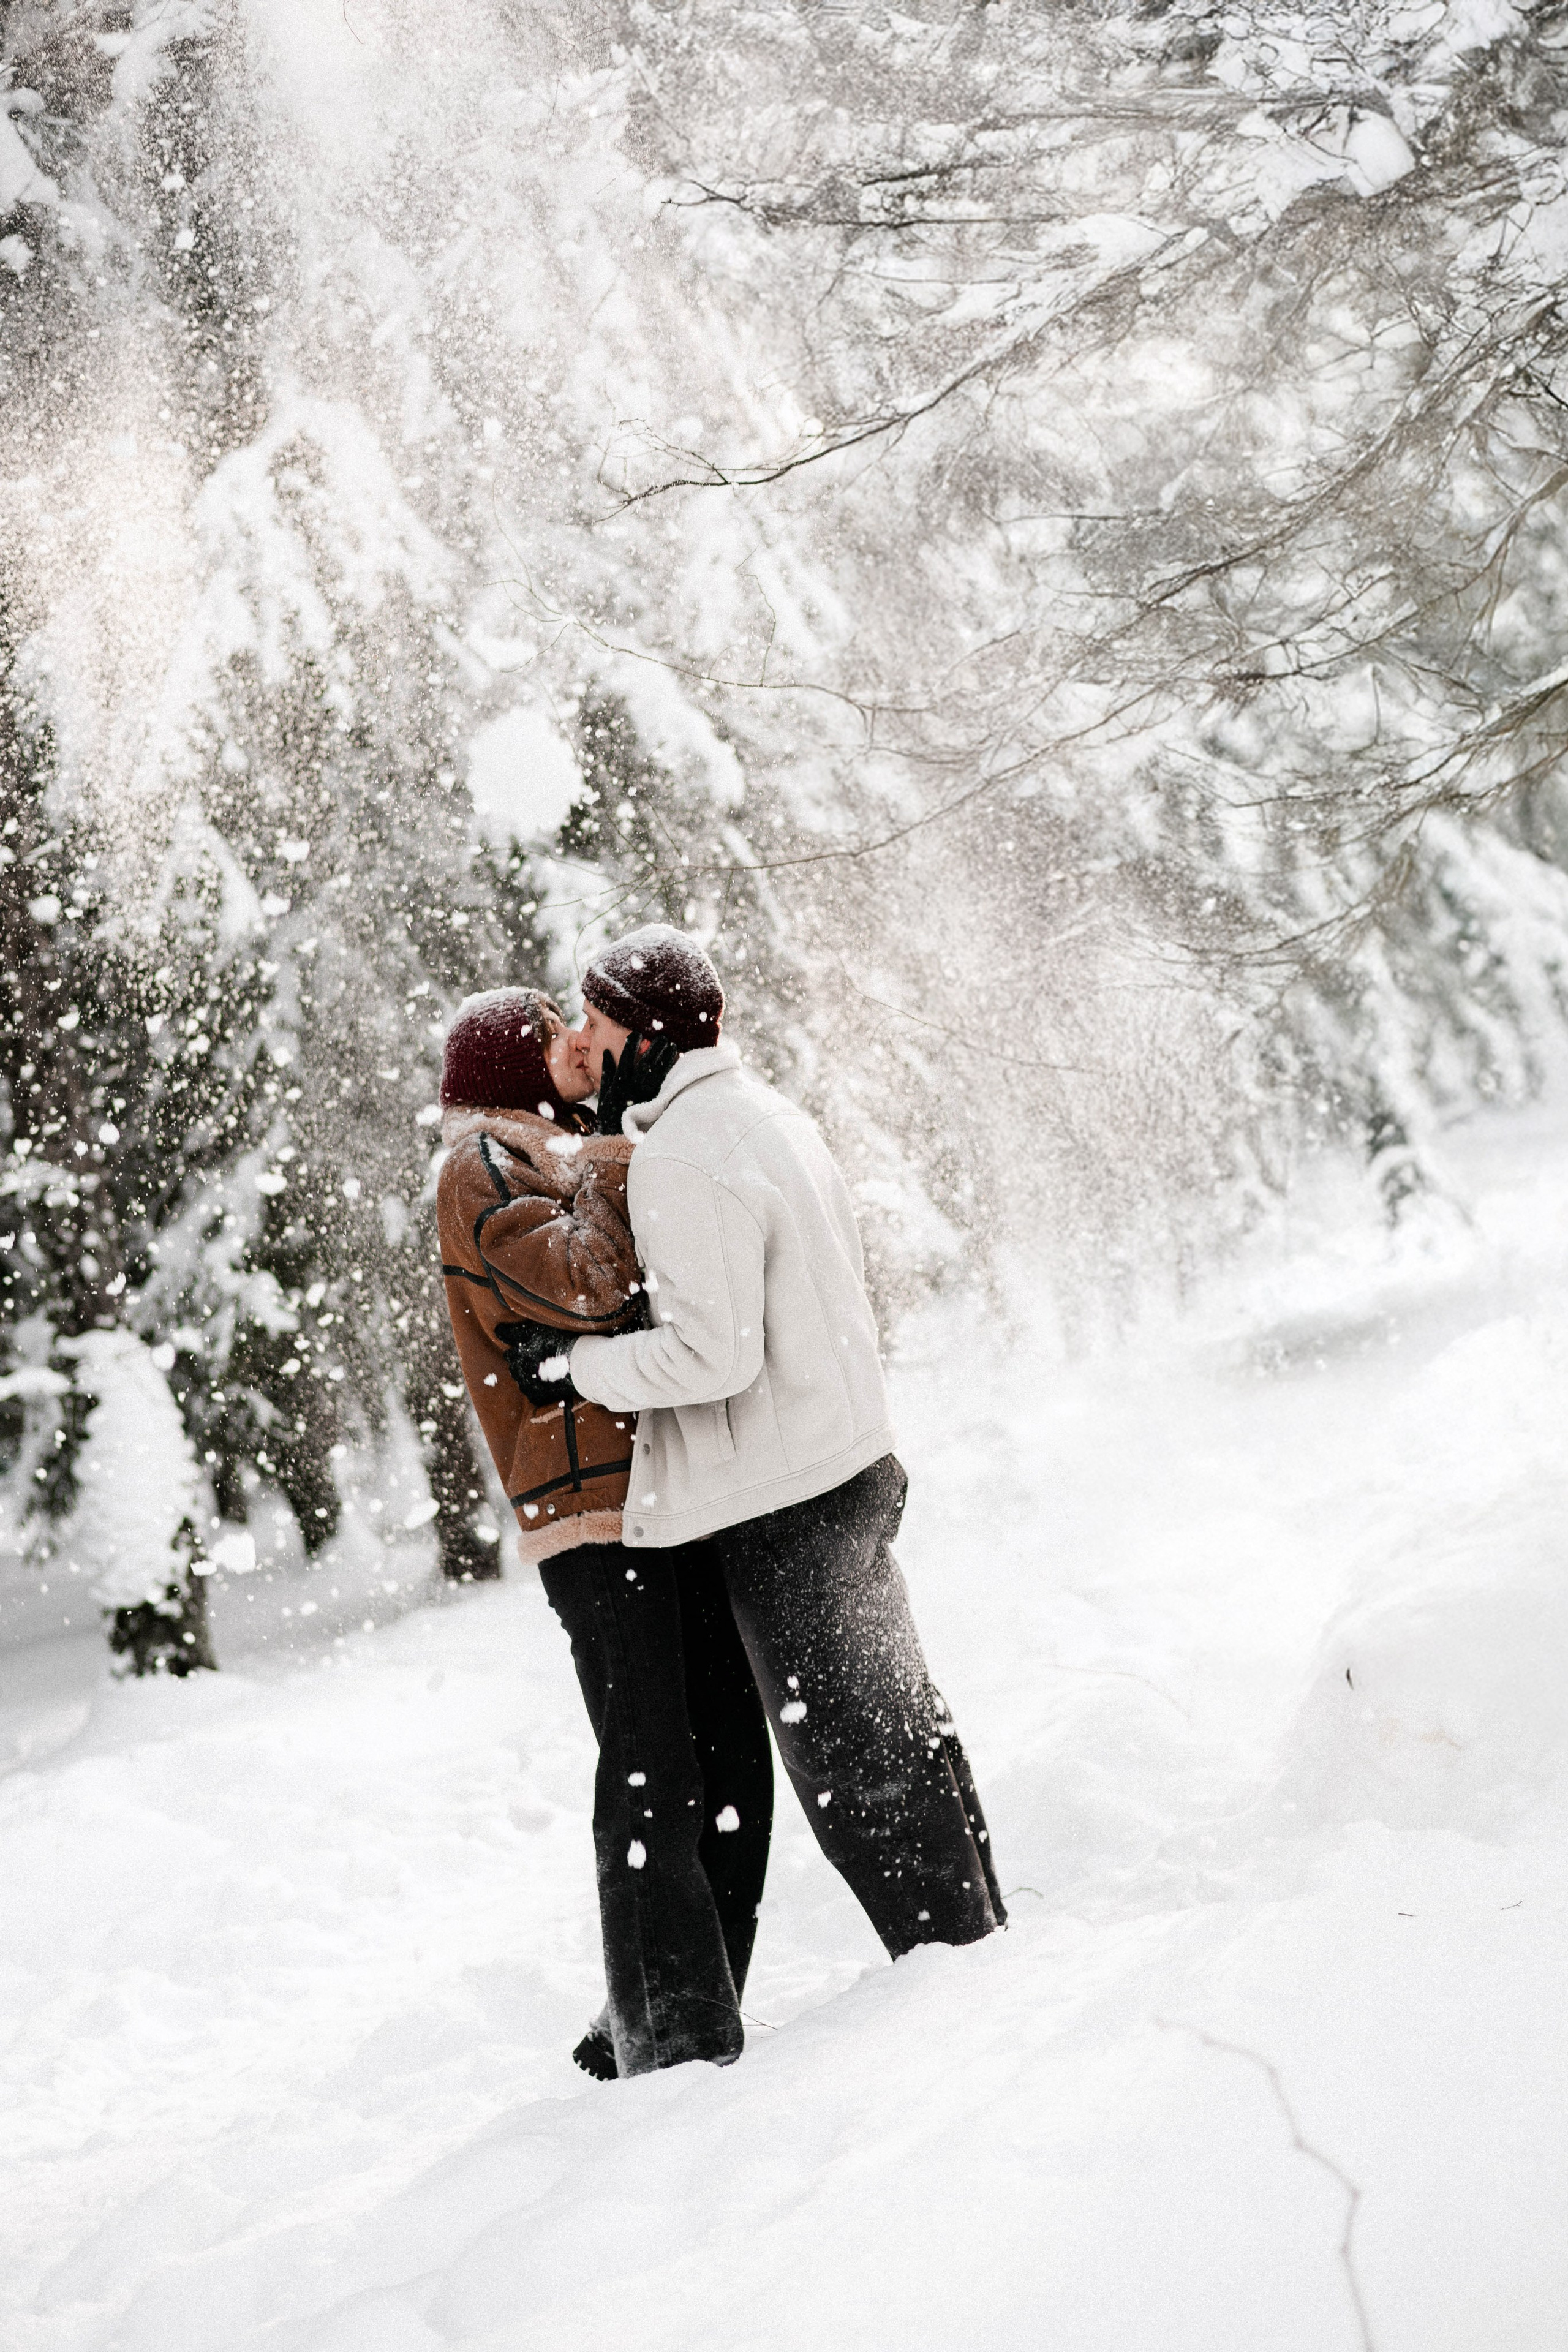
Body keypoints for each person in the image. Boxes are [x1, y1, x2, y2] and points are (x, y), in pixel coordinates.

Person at [502, 926, 1005, 2077]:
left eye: (606, 1023)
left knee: (856, 1766)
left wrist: (571, 1368)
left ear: (650, 1033)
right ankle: (983, 1945)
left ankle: (969, 1994)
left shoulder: (688, 1154)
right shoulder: (768, 1115)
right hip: (849, 1462)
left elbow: (711, 1357)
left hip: (790, 1499)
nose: (595, 1043)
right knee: (902, 1732)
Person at [435, 985, 773, 2079]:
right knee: (652, 1761)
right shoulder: (487, 1166)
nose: (583, 1042)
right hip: (590, 1511)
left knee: (725, 1742)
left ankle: (686, 2004)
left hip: (657, 1490)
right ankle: (666, 2033)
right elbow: (585, 1285)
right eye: (556, 1036)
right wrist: (643, 1161)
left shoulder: (567, 1153)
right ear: (514, 1071)